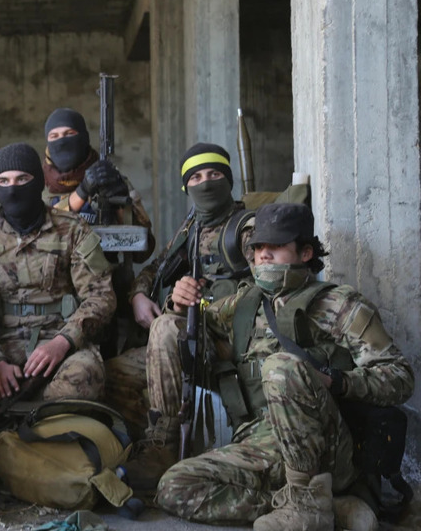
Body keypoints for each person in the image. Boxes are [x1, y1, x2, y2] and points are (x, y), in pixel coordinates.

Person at [141, 203, 413, 530]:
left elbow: (400, 378)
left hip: (328, 445)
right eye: (258, 249)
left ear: (305, 253)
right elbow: (193, 325)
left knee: (282, 367)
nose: (264, 255)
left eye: (276, 246)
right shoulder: (245, 303)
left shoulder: (341, 304)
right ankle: (328, 509)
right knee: (174, 487)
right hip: (261, 442)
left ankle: (308, 505)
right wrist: (179, 299)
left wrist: (337, 382)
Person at [105, 143, 256, 436]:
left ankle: (166, 443)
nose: (206, 183)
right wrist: (137, 295)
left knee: (164, 328)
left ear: (228, 179)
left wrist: (193, 307)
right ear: (186, 186)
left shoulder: (246, 229)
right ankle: (156, 434)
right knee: (107, 376)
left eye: (214, 174)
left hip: (229, 342)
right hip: (189, 337)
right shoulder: (191, 227)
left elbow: (265, 292)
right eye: (196, 178)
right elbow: (156, 268)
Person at [0, 142, 116, 401]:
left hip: (60, 338)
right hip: (0, 343)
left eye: (22, 178)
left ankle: (36, 425)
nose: (13, 188)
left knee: (83, 379)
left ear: (38, 181)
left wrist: (63, 342)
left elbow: (100, 296)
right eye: (3, 180)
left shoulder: (73, 229)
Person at [41, 107, 155, 263]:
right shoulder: (38, 185)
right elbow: (36, 238)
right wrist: (81, 193)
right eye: (54, 136)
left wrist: (122, 209)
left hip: (106, 282)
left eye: (70, 134)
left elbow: (142, 252)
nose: (62, 142)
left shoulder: (110, 180)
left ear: (83, 138)